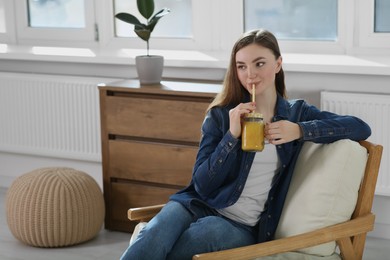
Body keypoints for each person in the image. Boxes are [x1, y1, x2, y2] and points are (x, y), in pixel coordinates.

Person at [120, 29, 371, 260]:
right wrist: (231, 137)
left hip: (242, 226)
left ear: (278, 64)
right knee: (153, 233)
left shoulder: (296, 114)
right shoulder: (221, 115)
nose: (249, 74)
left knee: (203, 235)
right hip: (196, 204)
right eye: (241, 66)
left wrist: (299, 130)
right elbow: (202, 184)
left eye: (259, 63)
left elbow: (360, 127)